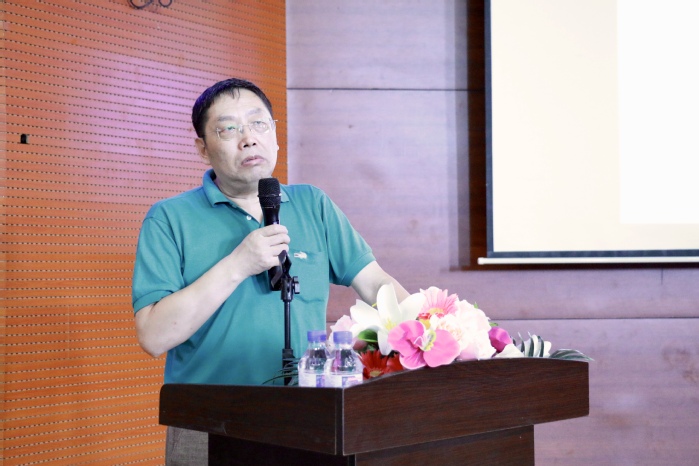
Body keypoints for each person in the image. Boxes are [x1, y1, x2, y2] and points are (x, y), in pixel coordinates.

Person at [131, 77, 409, 464]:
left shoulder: (313, 204)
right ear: (203, 149)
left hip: (310, 418)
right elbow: (154, 336)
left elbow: (376, 284)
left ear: (275, 136)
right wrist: (238, 264)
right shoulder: (169, 218)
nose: (248, 139)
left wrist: (432, 332)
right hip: (208, 422)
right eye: (229, 129)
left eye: (258, 124)